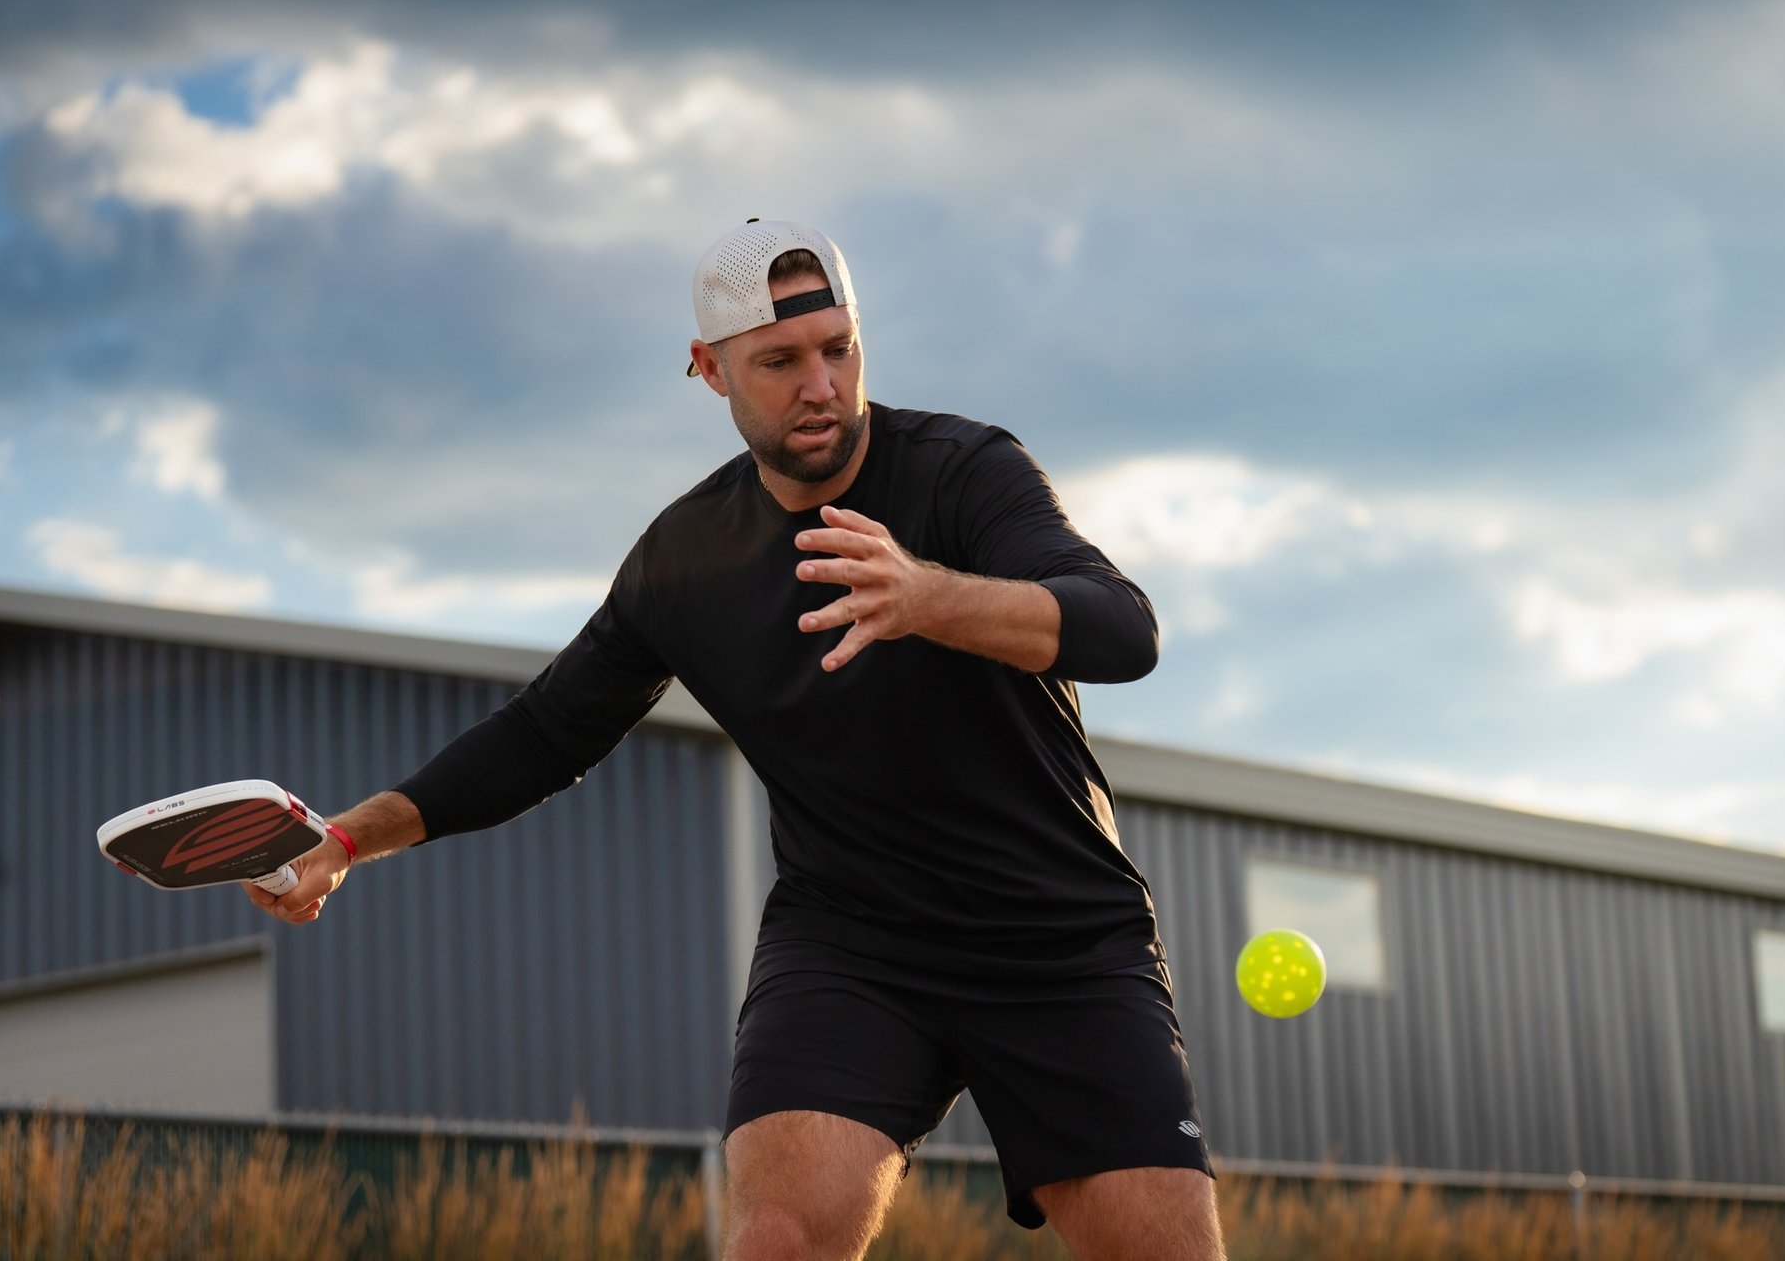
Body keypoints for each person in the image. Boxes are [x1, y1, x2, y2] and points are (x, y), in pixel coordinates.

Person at [248, 220, 1225, 1261]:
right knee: (774, 1240)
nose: (822, 385)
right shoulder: (686, 558)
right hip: (855, 944)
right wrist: (346, 840)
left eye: (840, 349)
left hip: (1056, 938)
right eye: (781, 361)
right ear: (709, 369)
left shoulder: (963, 472)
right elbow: (543, 731)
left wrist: (929, 596)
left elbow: (1123, 628)